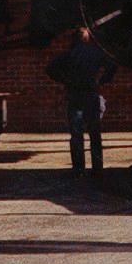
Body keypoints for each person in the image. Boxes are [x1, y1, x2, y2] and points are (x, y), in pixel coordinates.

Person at [46, 26, 115, 176]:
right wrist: (102, 80)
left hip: (74, 94)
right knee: (95, 133)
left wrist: (64, 80)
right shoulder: (96, 54)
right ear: (88, 39)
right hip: (91, 94)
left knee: (76, 134)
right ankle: (97, 168)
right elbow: (112, 66)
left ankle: (79, 168)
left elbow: (50, 68)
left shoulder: (69, 54)